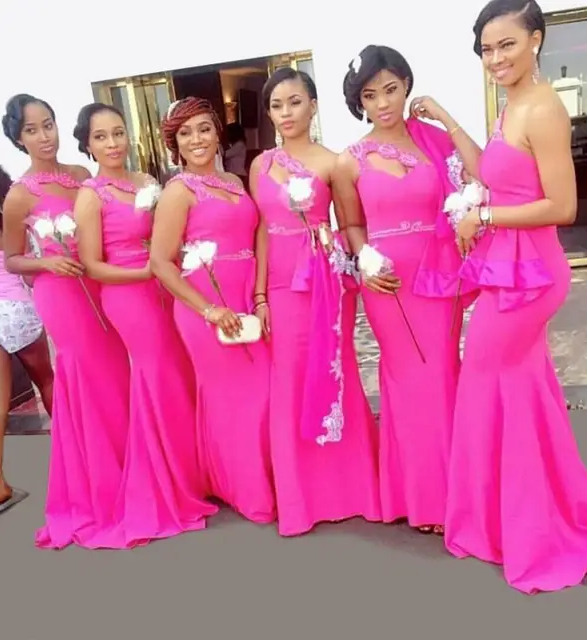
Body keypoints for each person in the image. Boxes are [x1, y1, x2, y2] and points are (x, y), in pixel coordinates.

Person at [411, 0, 587, 593]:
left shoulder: (543, 108)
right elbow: (490, 173)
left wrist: (484, 217)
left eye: (506, 44)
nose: (495, 58)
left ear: (536, 40)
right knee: (517, 391)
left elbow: (562, 206)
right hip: (512, 272)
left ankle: (527, 529)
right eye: (487, 49)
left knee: (492, 385)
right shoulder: (513, 103)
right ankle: (516, 519)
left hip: (532, 276)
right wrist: (447, 119)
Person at [332, 46, 474, 535]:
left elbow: (481, 173)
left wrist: (445, 116)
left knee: (443, 375)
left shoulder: (433, 142)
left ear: (407, 86)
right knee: (410, 381)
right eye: (370, 96)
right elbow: (350, 223)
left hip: (439, 277)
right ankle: (425, 498)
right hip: (387, 284)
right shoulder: (348, 162)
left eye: (391, 90)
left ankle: (458, 490)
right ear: (359, 103)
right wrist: (364, 258)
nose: (383, 103)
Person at [72, 103, 216, 548]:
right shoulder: (90, 195)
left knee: (181, 374)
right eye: (101, 137)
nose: (113, 143)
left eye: (118, 132)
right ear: (88, 145)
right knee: (157, 376)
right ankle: (163, 485)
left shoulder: (148, 183)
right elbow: (92, 265)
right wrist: (146, 272)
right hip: (129, 294)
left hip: (164, 287)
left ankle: (193, 474)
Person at [251, 67, 381, 537]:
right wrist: (259, 294)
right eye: (276, 105)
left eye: (295, 102)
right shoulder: (261, 165)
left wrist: (342, 252)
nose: (286, 113)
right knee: (289, 381)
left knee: (334, 371)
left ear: (313, 105)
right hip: (280, 288)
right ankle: (300, 498)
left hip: (325, 285)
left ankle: (353, 489)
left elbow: (351, 224)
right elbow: (261, 230)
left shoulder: (333, 163)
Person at [1, 94, 131, 548]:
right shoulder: (20, 194)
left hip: (99, 283)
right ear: (19, 139)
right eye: (32, 130)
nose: (44, 136)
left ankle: (131, 469)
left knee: (117, 375)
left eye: (49, 125)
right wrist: (46, 263)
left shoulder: (81, 175)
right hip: (60, 292)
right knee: (87, 379)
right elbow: (12, 258)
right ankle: (102, 486)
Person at [150, 97, 276, 524]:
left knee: (264, 392)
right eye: (185, 134)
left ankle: (261, 481)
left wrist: (259, 295)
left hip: (244, 297)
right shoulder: (177, 192)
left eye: (204, 128)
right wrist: (209, 311)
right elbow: (160, 262)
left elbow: (258, 235)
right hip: (204, 308)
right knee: (234, 401)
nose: (197, 139)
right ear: (175, 144)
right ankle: (246, 491)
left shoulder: (234, 182)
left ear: (217, 132)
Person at [0, 164, 54, 514]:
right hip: (18, 310)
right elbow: (29, 274)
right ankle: (74, 453)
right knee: (47, 381)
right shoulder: (11, 218)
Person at [224, 122, 248, 190]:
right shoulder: (234, 145)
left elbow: (225, 155)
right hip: (234, 174)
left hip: (238, 174)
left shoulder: (239, 144)